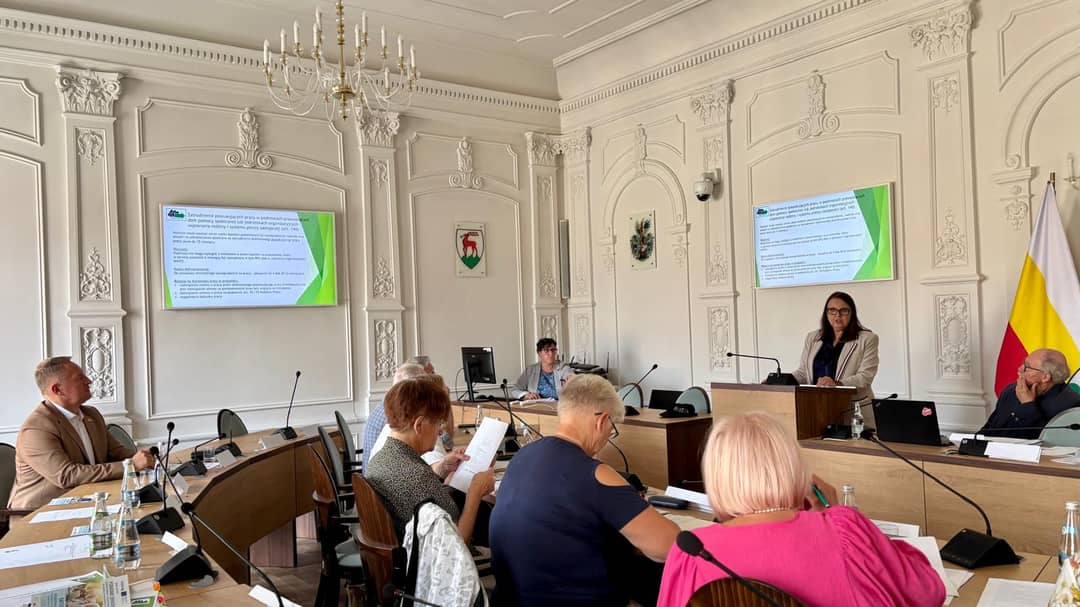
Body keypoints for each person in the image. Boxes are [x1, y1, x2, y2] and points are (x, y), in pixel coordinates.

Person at [657, 412, 945, 607]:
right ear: (794, 468)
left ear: (718, 477)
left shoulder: (692, 552)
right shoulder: (844, 528)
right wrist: (832, 513)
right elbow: (928, 592)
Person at [490, 374, 679, 607]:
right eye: (612, 428)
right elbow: (668, 546)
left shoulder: (522, 456)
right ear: (602, 421)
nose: (609, 435)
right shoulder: (596, 473)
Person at [9, 357, 155, 511]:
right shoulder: (36, 429)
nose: (89, 381)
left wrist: (151, 460)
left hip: (88, 500)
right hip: (41, 511)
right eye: (79, 378)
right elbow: (67, 476)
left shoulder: (91, 414)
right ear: (57, 390)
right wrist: (131, 466)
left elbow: (115, 452)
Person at [365, 374, 495, 543]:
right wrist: (475, 494)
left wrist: (442, 468)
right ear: (419, 425)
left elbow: (418, 494)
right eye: (437, 423)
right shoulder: (416, 475)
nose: (440, 431)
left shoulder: (382, 458)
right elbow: (456, 543)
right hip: (434, 556)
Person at [791, 291, 879, 424]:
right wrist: (779, 381)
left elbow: (865, 377)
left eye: (843, 311)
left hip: (852, 411)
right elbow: (803, 372)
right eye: (832, 310)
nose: (837, 315)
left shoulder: (867, 339)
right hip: (816, 408)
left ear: (852, 313)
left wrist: (837, 384)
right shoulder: (813, 337)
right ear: (826, 313)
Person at [981, 349, 1080, 439]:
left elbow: (1045, 442)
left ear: (1045, 377)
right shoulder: (1010, 391)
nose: (1019, 369)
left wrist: (1028, 405)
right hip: (992, 451)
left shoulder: (1071, 404)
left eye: (1026, 367)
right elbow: (988, 430)